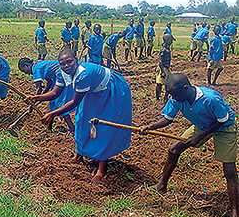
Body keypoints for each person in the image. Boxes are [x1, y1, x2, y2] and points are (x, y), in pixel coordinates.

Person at [141, 73, 239, 217]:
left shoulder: (210, 98)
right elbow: (168, 118)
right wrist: (150, 127)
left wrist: (199, 136)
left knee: (230, 170)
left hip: (224, 127)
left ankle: (235, 212)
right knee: (174, 149)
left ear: (185, 88)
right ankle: (161, 185)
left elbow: (223, 120)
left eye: (173, 93)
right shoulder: (177, 98)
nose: (171, 97)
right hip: (202, 124)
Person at [27, 48, 132, 184]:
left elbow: (74, 102)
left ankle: (101, 168)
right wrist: (36, 98)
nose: (66, 66)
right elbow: (55, 93)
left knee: (102, 127)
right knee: (82, 121)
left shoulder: (83, 74)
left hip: (110, 89)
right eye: (62, 63)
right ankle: (79, 155)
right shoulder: (61, 72)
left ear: (76, 60)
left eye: (69, 62)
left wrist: (52, 113)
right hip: (93, 90)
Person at [18, 57, 75, 133]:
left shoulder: (36, 69)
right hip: (57, 78)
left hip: (62, 76)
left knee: (59, 103)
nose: (25, 73)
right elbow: (49, 82)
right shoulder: (38, 65)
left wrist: (33, 103)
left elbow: (39, 89)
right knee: (52, 102)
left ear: (27, 65)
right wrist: (44, 96)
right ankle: (49, 128)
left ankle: (72, 128)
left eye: (24, 70)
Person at [155, 34, 174, 102]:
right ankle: (157, 97)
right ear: (168, 40)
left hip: (166, 68)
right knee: (159, 83)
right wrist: (162, 71)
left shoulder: (167, 48)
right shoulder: (163, 50)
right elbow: (160, 61)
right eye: (171, 40)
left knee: (168, 83)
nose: (172, 42)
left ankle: (165, 97)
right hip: (162, 68)